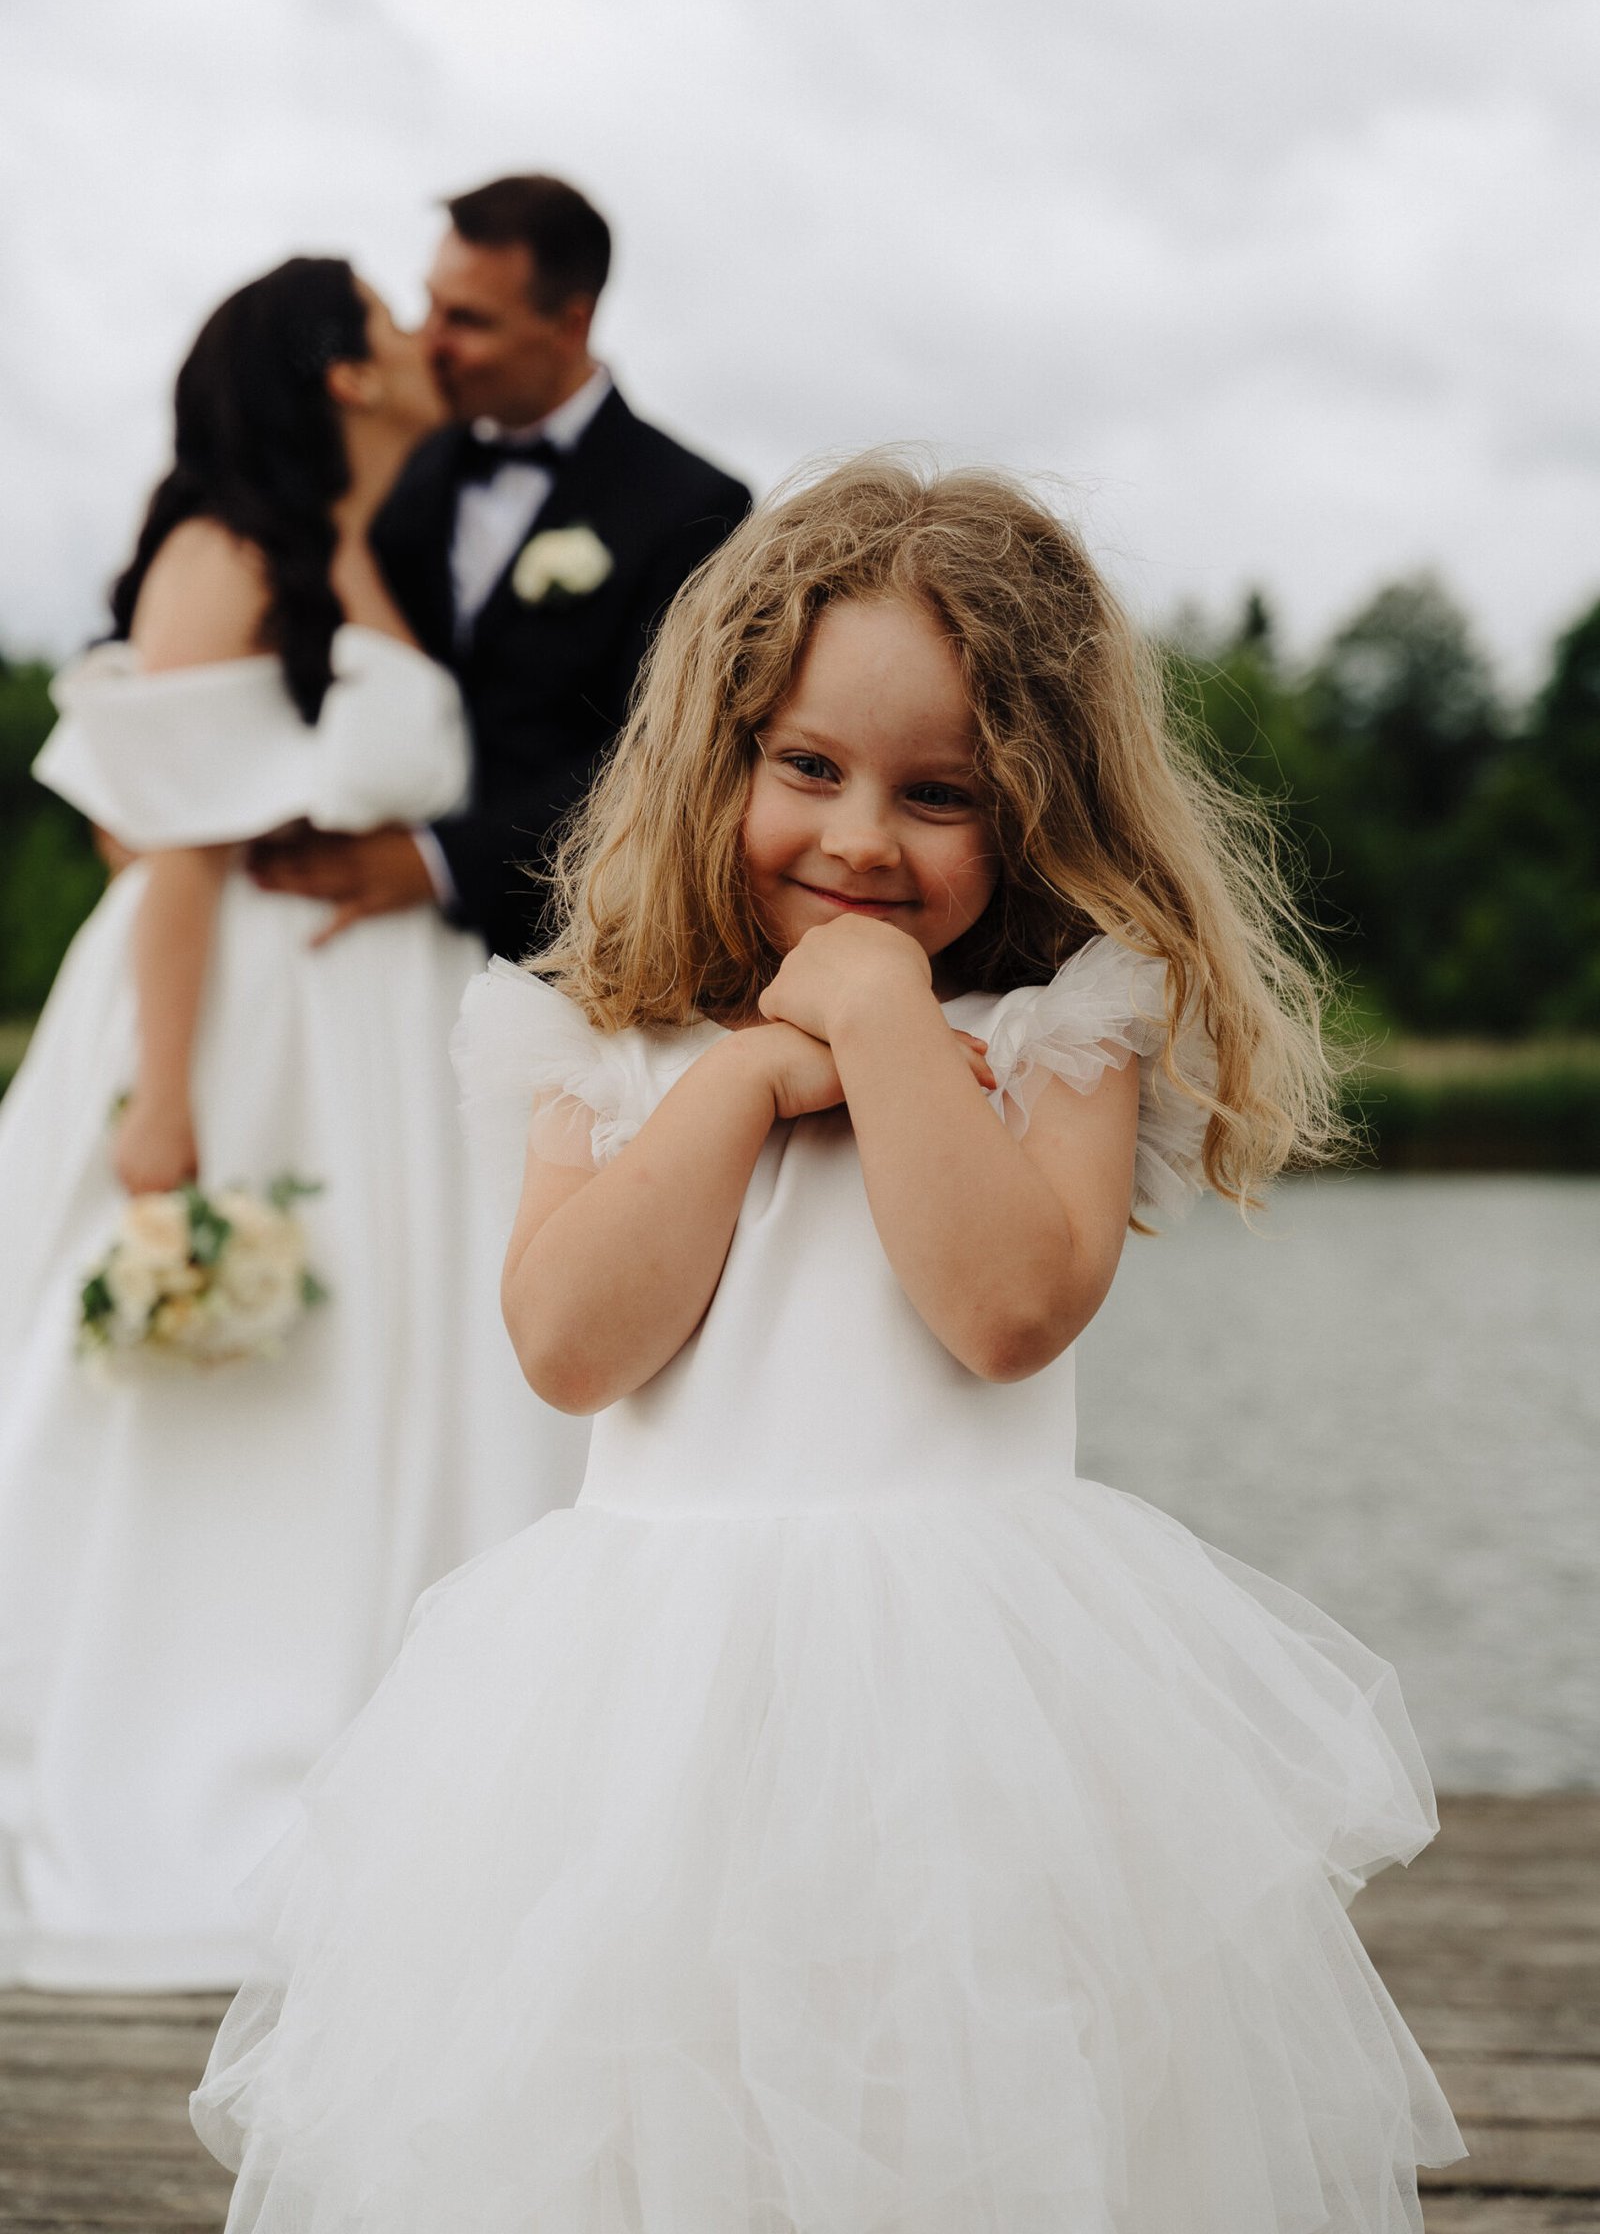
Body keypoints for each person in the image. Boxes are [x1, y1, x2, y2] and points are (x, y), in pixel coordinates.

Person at [193, 458, 1462, 2229]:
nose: (862, 840)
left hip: (965, 1714)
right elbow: (568, 1346)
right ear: (717, 762)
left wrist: (874, 1017)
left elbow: (1006, 1309)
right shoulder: (606, 1041)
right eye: (808, 768)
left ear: (1037, 808)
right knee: (644, 2101)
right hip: (645, 1716)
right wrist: (739, 1087)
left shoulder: (1056, 1033)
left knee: (959, 2101)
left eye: (939, 794)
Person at [0, 258, 583, 1993]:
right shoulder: (225, 548)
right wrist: (163, 1101)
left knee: (394, 1359)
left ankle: (388, 1727)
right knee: (209, 1402)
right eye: (397, 322)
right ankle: (180, 1728)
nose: (422, 341)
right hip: (240, 1024)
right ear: (337, 371)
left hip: (388, 1036)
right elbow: (173, 850)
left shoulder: (363, 539)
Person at [251, 174, 752, 962]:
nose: (430, 343)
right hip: (359, 938)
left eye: (468, 320)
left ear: (570, 324)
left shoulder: (694, 505)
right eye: (430, 306)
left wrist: (438, 863)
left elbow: (659, 754)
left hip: (564, 948)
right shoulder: (397, 473)